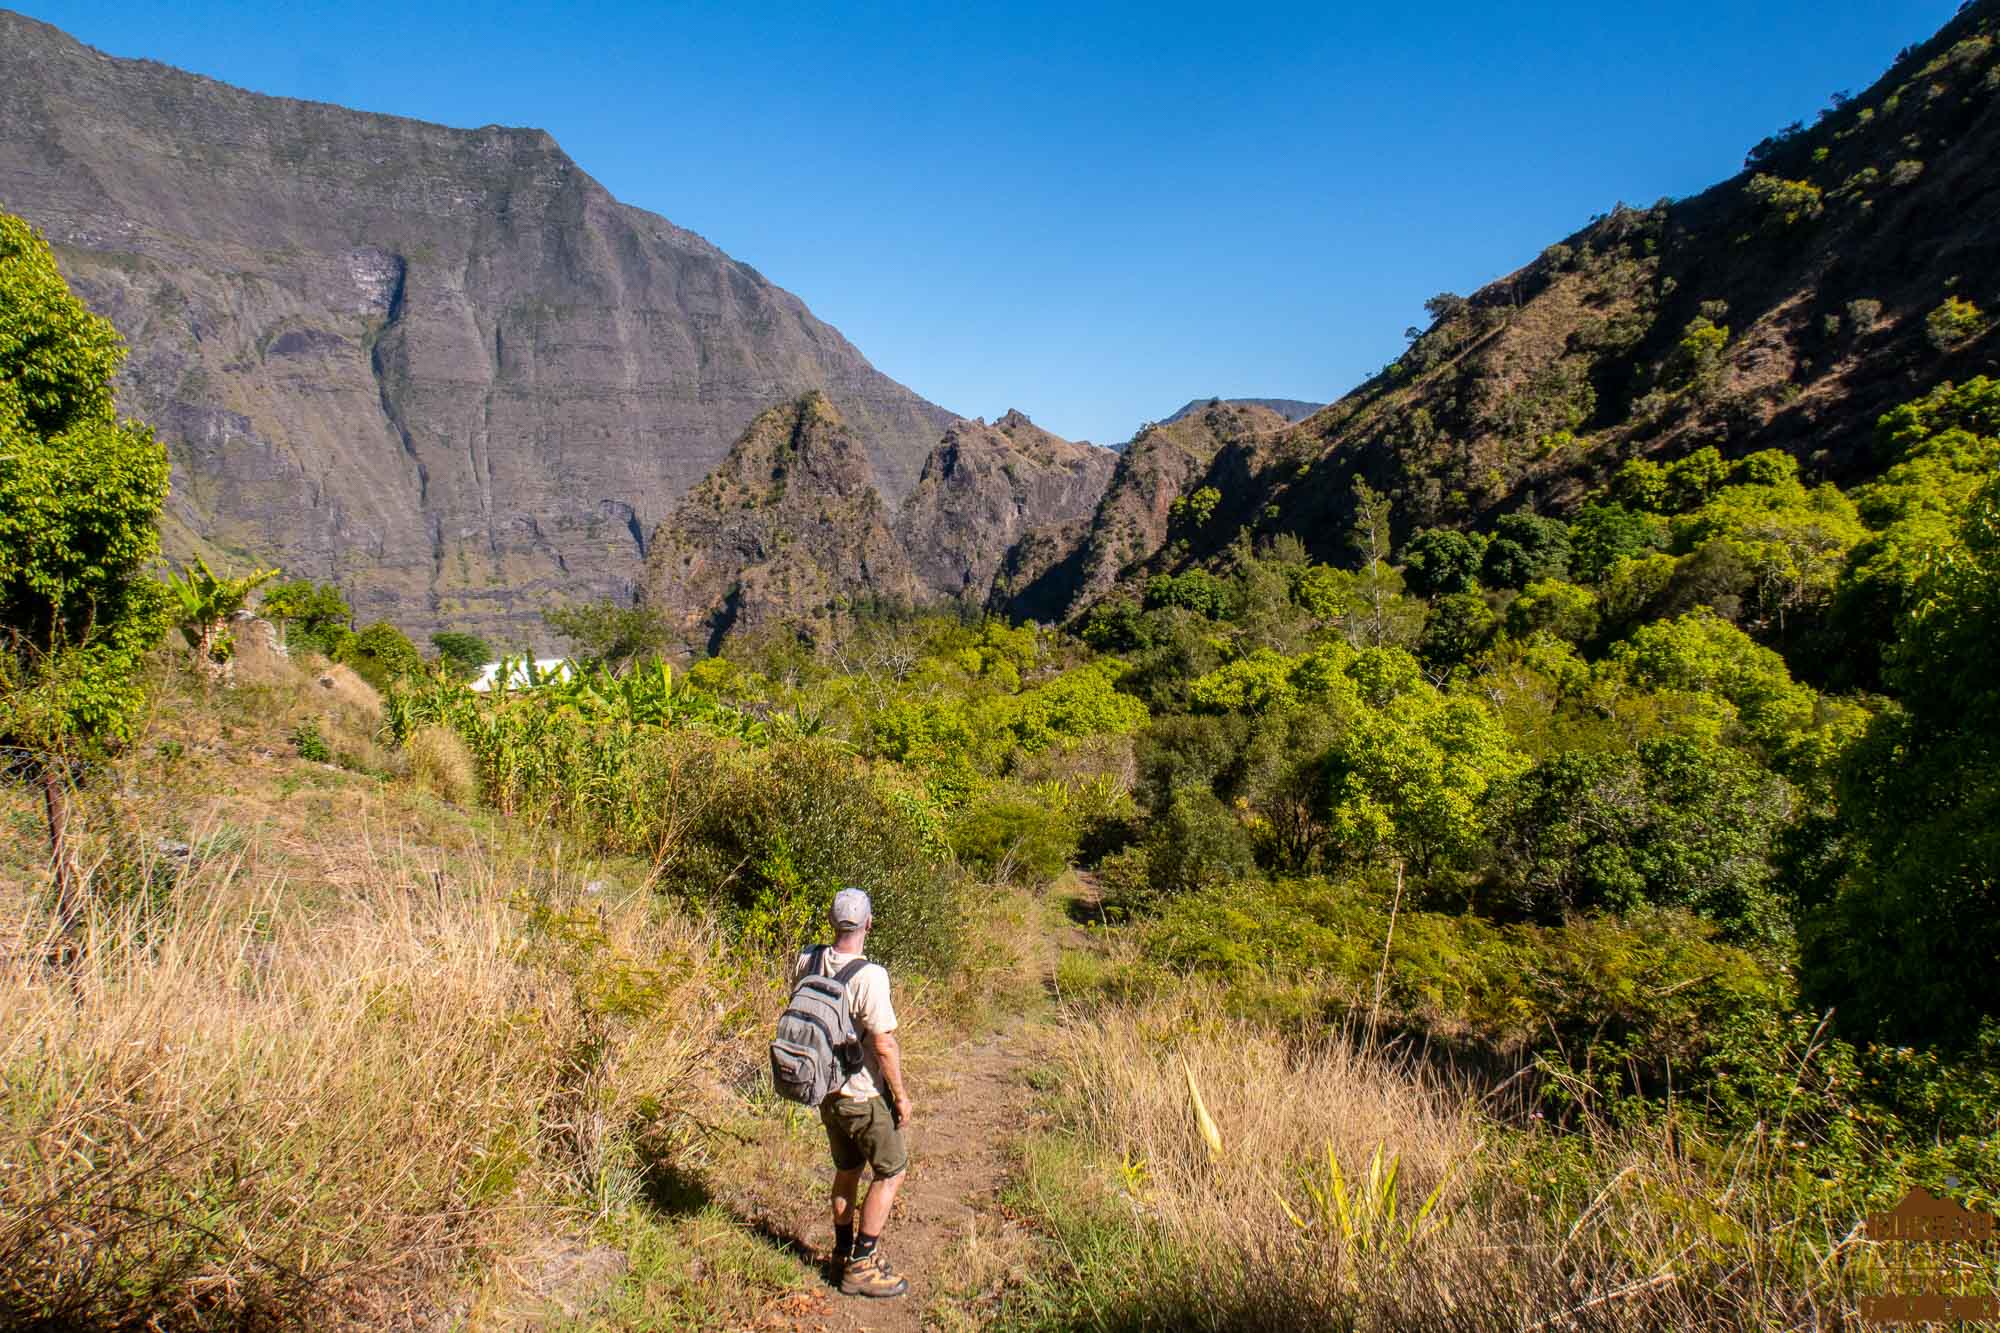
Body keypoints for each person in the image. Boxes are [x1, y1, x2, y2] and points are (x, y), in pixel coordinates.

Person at [792, 886, 913, 1299]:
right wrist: (900, 1095)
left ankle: (842, 1253)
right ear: (868, 924)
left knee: (847, 1171)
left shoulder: (807, 958)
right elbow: (883, 1043)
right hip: (861, 1094)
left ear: (831, 922)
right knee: (891, 1171)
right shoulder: (870, 976)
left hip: (824, 1089)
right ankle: (862, 1264)